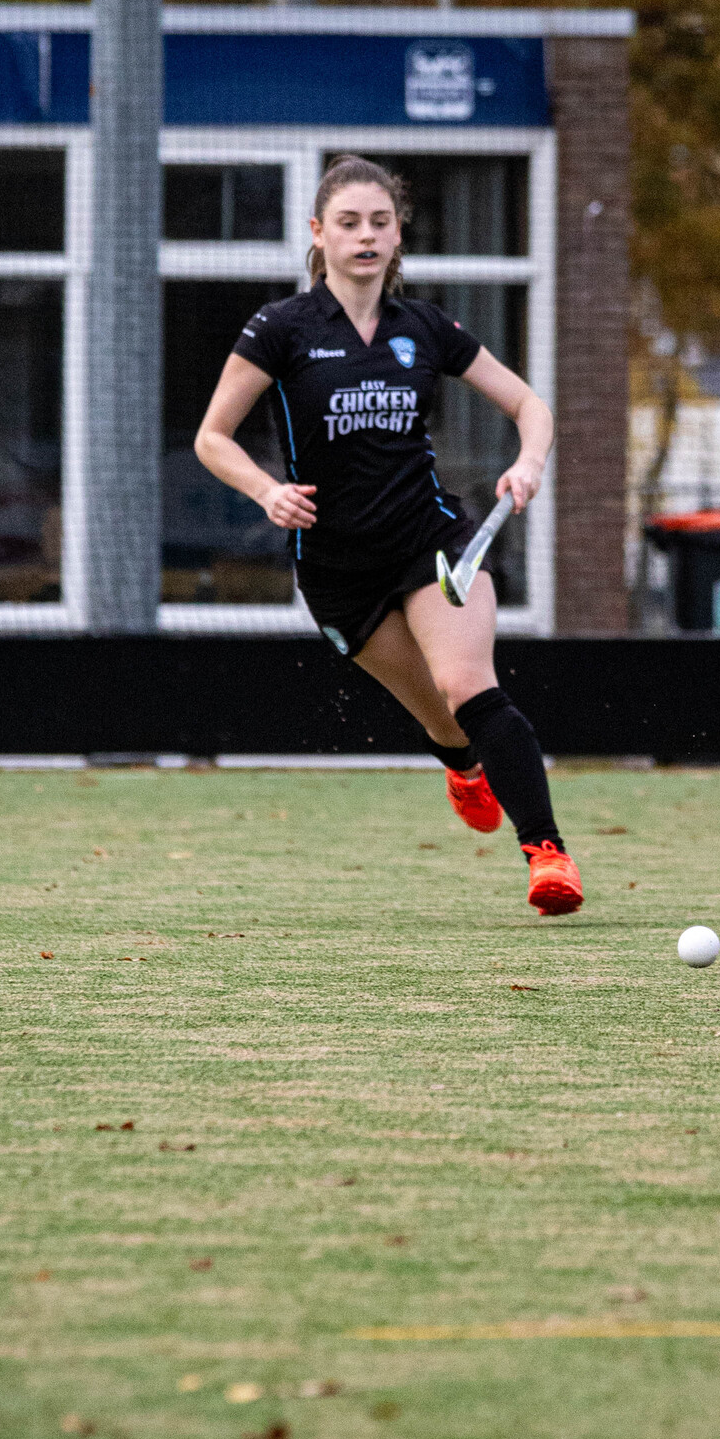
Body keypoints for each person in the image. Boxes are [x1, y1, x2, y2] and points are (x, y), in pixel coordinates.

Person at [193, 153, 582, 917]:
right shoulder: (281, 329)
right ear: (319, 234)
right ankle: (461, 765)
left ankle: (547, 855)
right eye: (348, 223)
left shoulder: (425, 328)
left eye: (380, 222)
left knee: (469, 685)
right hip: (337, 570)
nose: (365, 236)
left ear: (398, 235)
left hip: (430, 542)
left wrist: (528, 464)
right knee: (439, 715)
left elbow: (529, 405)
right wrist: (267, 490)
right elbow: (213, 437)